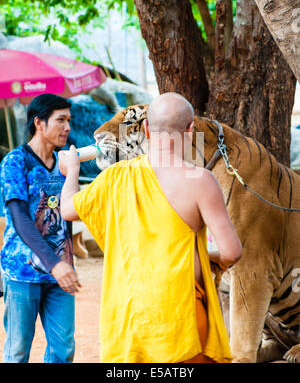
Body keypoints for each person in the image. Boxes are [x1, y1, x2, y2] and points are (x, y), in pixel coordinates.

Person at [59, 92, 242, 363]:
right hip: (182, 317)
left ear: (146, 128)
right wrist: (205, 261)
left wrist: (72, 170)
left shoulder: (114, 177)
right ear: (190, 129)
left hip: (129, 318)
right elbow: (230, 251)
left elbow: (68, 209)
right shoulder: (201, 181)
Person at [0, 93, 81, 363]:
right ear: (39, 123)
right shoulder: (15, 162)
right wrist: (53, 263)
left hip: (60, 275)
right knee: (18, 351)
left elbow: (71, 210)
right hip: (23, 272)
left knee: (63, 350)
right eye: (60, 120)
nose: (67, 127)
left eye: (69, 120)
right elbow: (19, 218)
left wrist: (72, 174)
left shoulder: (65, 162)